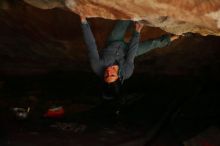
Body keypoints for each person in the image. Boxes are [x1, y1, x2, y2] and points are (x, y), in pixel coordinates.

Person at [80, 15, 179, 100]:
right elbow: (132, 52)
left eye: (106, 76)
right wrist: (137, 32)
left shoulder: (96, 66)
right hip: (127, 52)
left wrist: (83, 21)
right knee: (152, 44)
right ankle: (175, 37)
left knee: (124, 20)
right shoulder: (127, 72)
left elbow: (91, 45)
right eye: (112, 75)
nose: (108, 72)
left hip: (113, 42)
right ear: (119, 77)